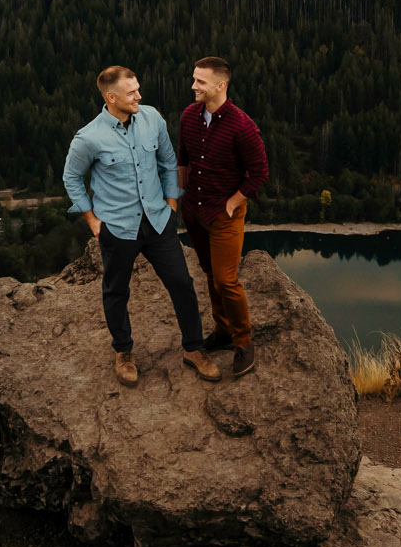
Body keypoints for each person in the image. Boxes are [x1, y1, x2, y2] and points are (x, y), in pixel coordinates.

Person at [62, 65, 222, 387]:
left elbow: (167, 161)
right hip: (118, 229)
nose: (139, 95)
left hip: (158, 221)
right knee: (116, 291)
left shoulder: (152, 119)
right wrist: (93, 221)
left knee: (182, 283)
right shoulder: (89, 138)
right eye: (131, 91)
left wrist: (172, 203)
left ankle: (194, 348)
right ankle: (123, 351)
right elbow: (71, 178)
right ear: (111, 97)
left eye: (137, 88)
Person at [178, 56, 270, 377]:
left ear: (221, 85)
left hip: (224, 215)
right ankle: (223, 330)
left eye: (200, 81)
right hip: (195, 212)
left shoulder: (242, 126)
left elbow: (259, 172)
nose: (193, 86)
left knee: (226, 280)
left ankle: (244, 341)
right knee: (209, 274)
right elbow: (183, 158)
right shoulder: (189, 116)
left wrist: (233, 203)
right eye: (194, 79)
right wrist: (181, 195)